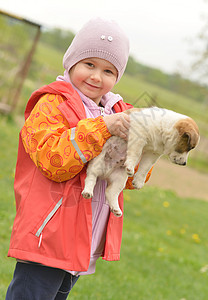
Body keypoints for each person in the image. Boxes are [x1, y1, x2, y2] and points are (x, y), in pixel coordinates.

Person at [6, 18, 151, 299]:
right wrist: (104, 128)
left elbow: (132, 179)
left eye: (109, 70)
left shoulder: (118, 111)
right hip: (47, 237)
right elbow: (53, 160)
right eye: (89, 64)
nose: (97, 76)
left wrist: (148, 143)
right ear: (71, 62)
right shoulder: (51, 104)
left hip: (84, 240)